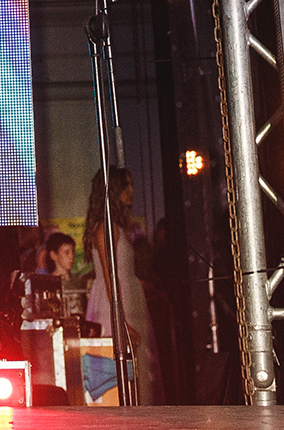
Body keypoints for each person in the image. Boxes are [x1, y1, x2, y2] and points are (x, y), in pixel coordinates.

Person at [82, 168, 159, 404]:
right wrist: (121, 323)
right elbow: (109, 276)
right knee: (123, 370)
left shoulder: (116, 226)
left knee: (137, 370)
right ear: (114, 190)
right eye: (127, 185)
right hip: (115, 305)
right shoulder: (106, 227)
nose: (132, 191)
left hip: (129, 302)